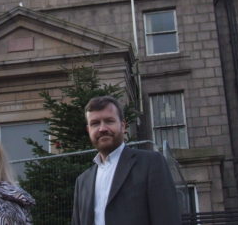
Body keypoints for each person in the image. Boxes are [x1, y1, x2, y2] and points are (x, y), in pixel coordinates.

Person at [72, 96, 181, 225]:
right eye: (95, 123)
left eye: (109, 121)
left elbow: (167, 218)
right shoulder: (82, 181)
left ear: (123, 126)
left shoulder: (151, 163)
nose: (102, 128)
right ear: (88, 130)